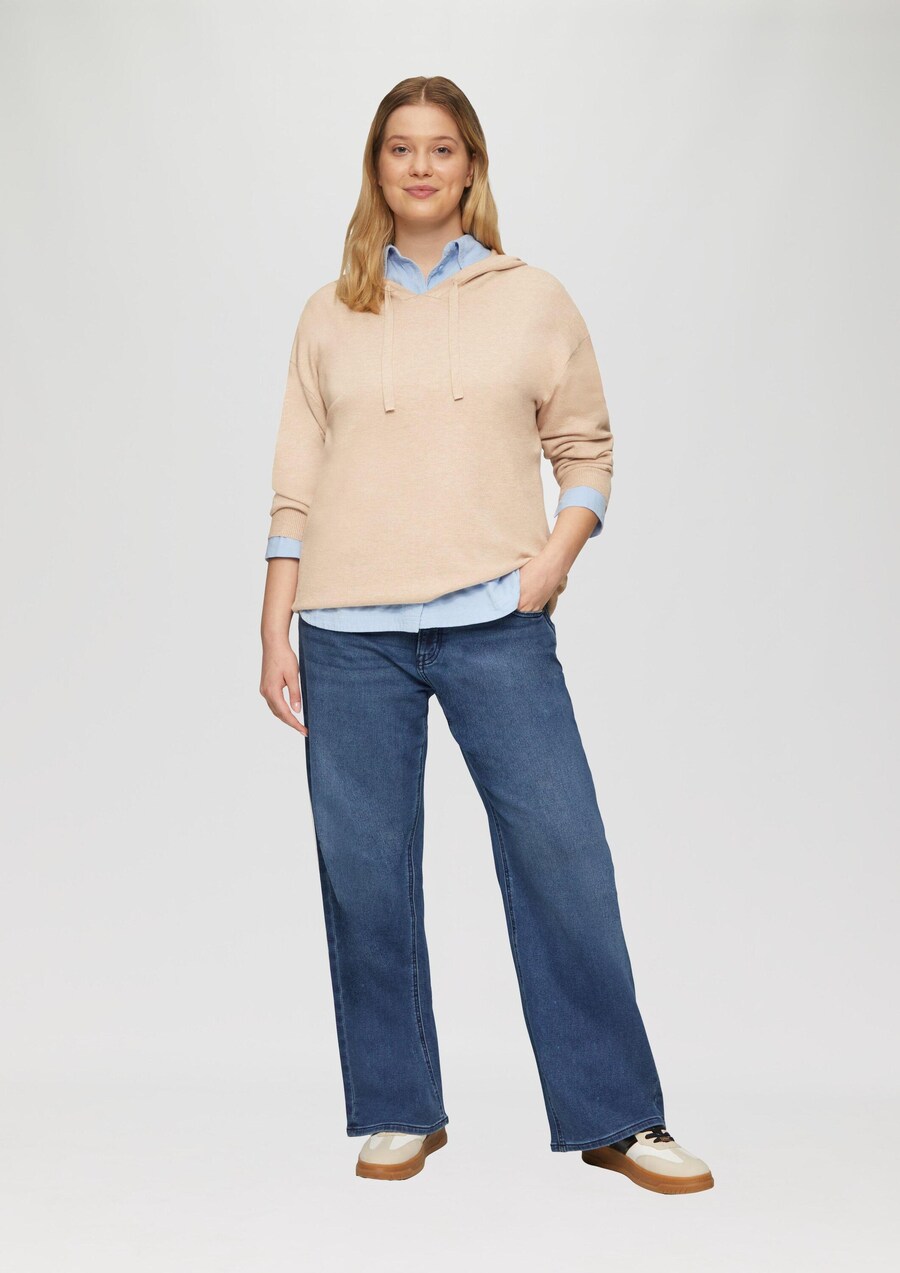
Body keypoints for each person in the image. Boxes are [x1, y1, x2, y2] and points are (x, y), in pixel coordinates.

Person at [259, 75, 713, 1194]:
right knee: (364, 876)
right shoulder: (329, 312)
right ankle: (397, 1107)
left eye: (441, 148)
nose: (420, 166)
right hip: (347, 632)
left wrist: (549, 566)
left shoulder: (532, 298)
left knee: (564, 857)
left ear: (471, 166)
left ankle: (619, 1116)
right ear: (377, 168)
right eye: (400, 148)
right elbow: (295, 480)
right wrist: (275, 623)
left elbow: (587, 451)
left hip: (491, 622)